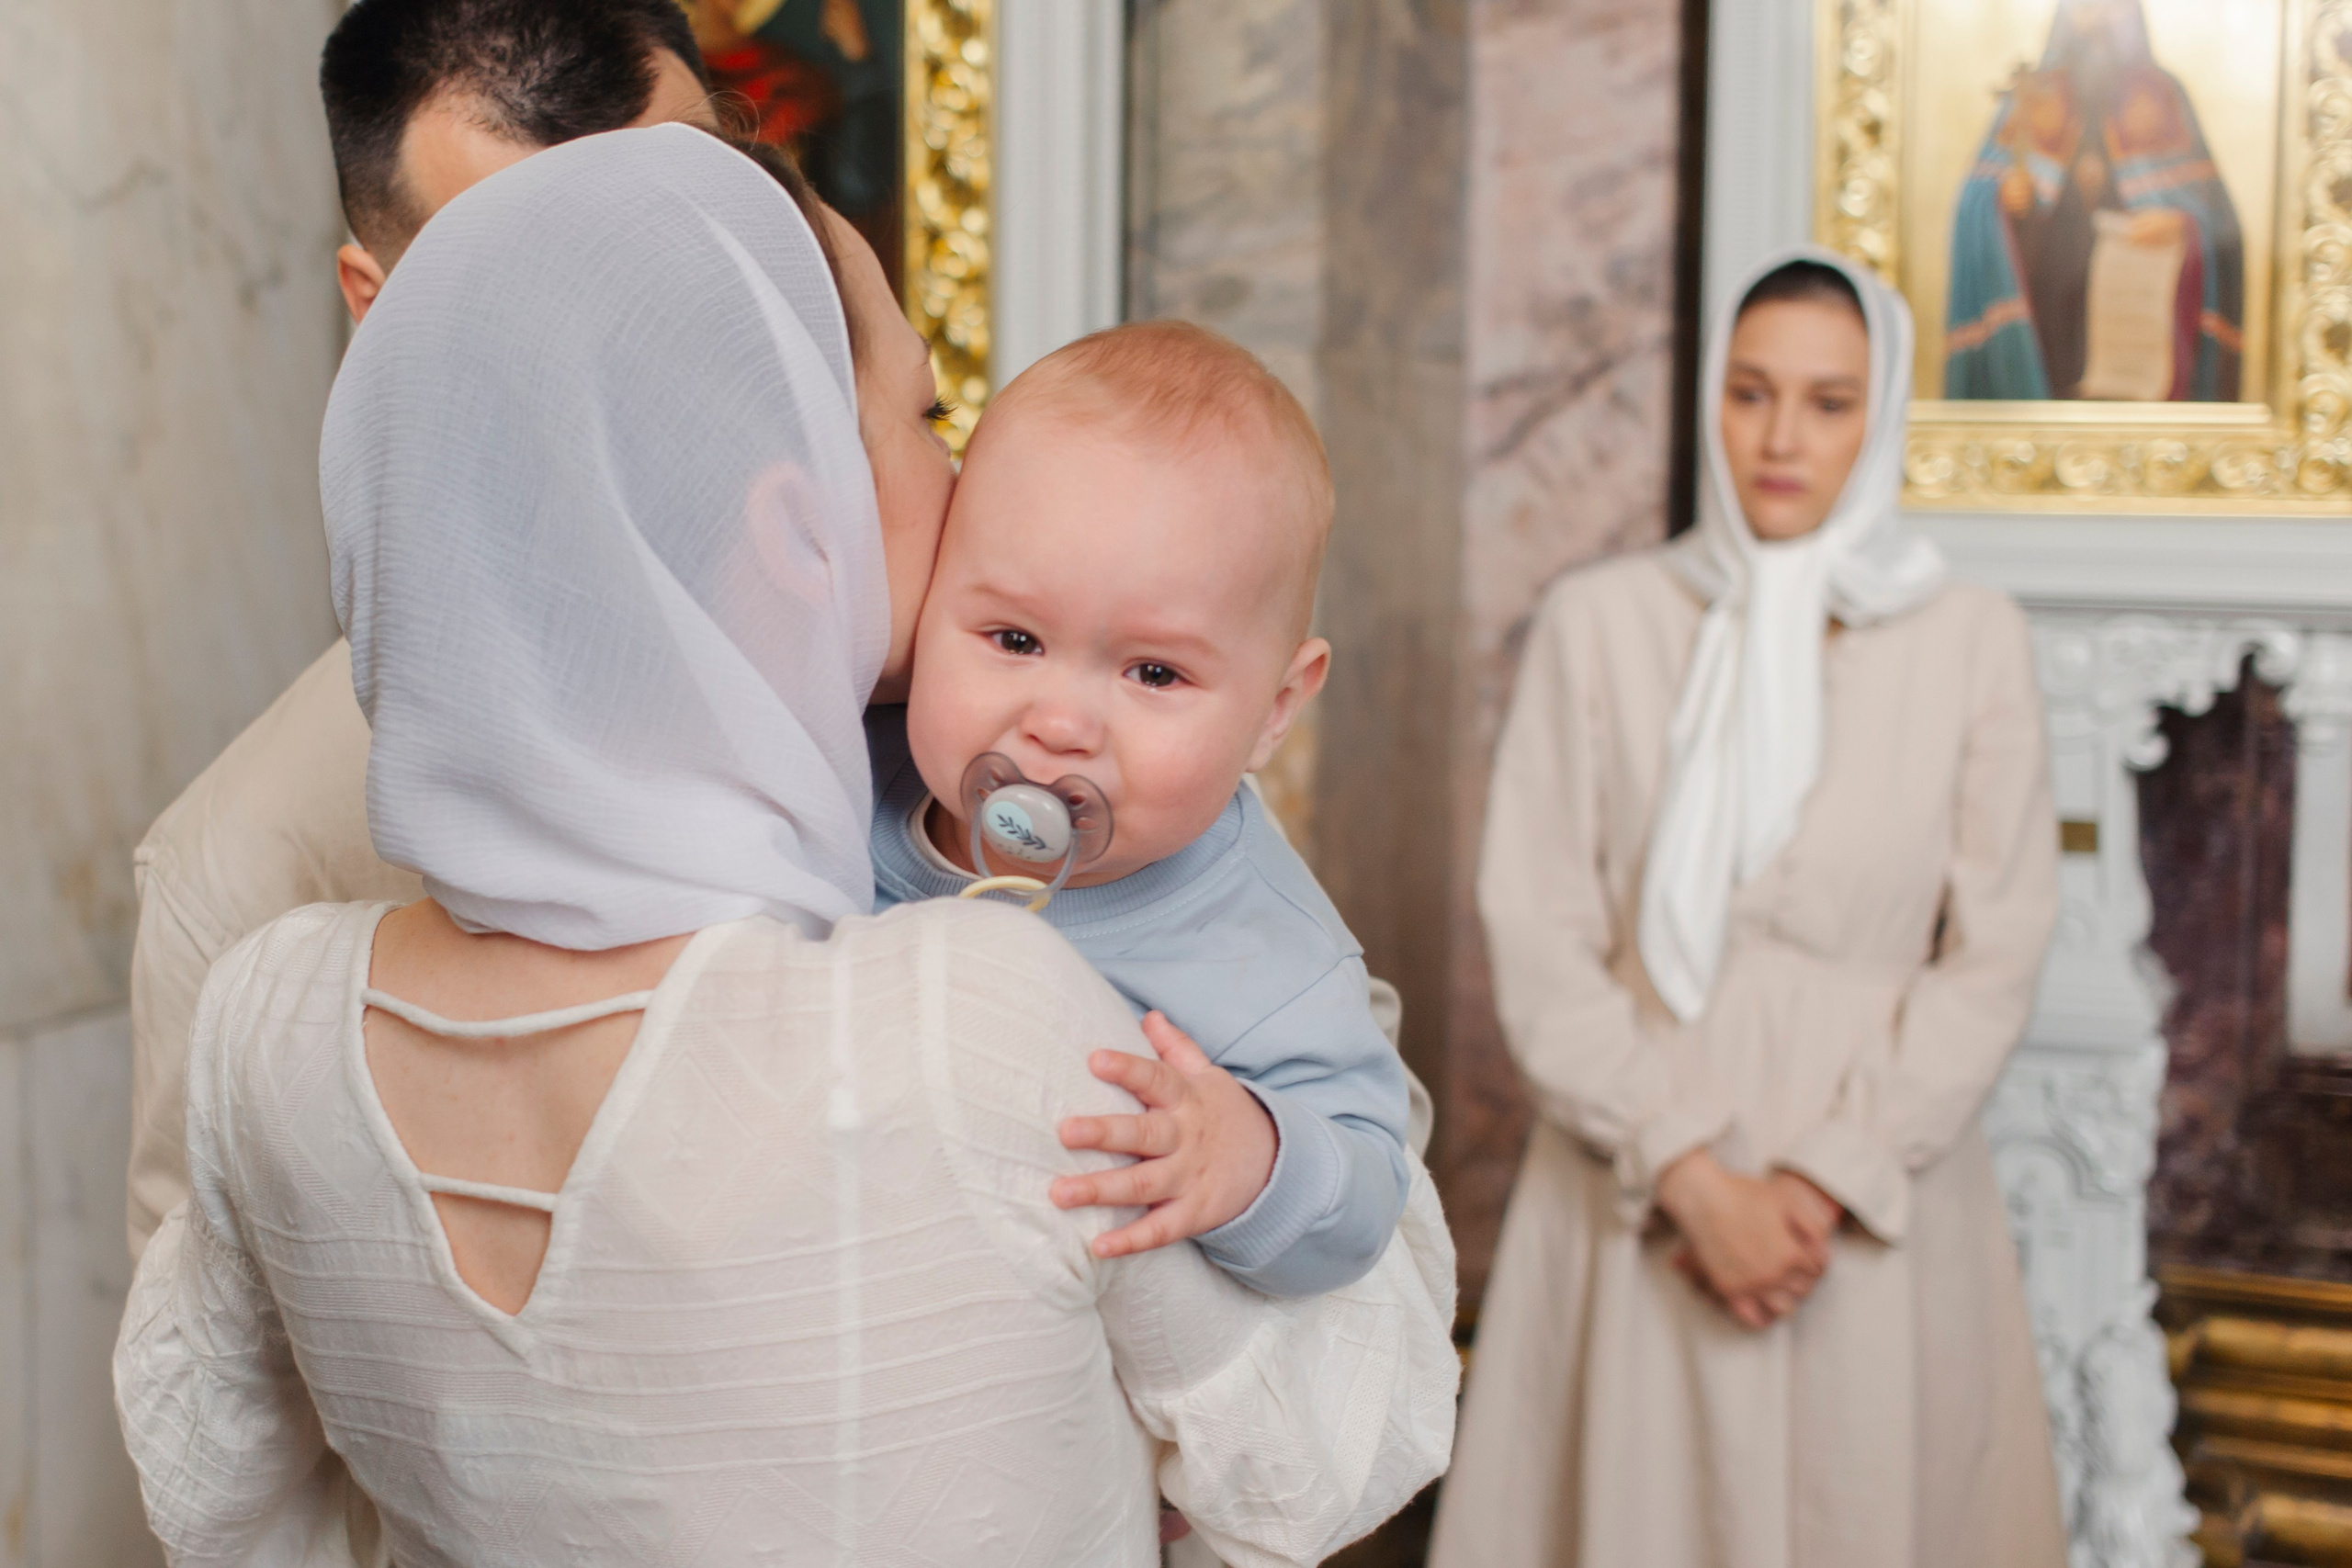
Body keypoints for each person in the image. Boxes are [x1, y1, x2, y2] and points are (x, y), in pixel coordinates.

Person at [113, 125, 1459, 1568]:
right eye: (924, 421)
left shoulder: (265, 1020)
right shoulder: (982, 1011)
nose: (950, 488)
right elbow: (1321, 1453)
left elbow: (226, 1506)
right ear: (797, 518)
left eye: (1152, 672)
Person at [123, 0, 917, 1265]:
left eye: (701, 212)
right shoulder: (252, 881)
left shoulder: (974, 645)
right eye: (541, 271)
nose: (665, 318)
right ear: (381, 316)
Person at [1428, 248, 2065, 1568]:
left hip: (1874, 1195)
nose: (1782, 438)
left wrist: (1825, 1182)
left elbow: (1996, 946)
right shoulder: (1599, 622)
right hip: (1638, 1178)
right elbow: (1535, 925)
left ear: (1880, 417)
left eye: (1831, 403)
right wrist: (1688, 1170)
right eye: (1750, 391)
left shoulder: (1972, 637)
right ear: (1708, 400)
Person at [867, 321, 1410, 1295]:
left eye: (1153, 672)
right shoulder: (845, 782)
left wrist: (1251, 1159)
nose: (1061, 723)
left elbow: (1370, 1192)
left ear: (1273, 711)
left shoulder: (1267, 959)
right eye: (1014, 639)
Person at [1945, 0, 2243, 400]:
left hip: (2137, 309)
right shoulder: (2033, 91)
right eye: (2086, 7)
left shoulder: (2161, 96)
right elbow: (1974, 202)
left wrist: (2182, 226)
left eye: (2113, 7)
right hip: (2049, 306)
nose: (2099, 16)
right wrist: (2004, 201)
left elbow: (2219, 223)